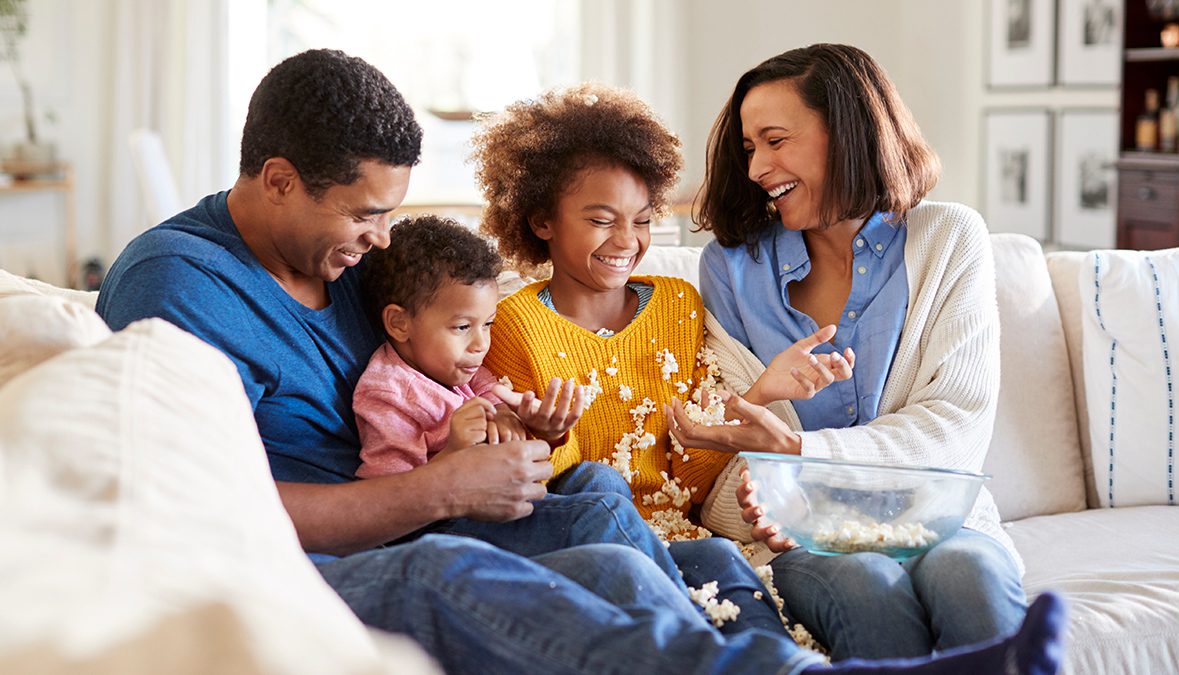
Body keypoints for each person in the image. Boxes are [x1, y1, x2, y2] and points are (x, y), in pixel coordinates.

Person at [95, 47, 1067, 674]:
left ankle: (769, 652)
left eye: (391, 210)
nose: (383, 236)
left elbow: (451, 370)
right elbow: (199, 507)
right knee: (446, 575)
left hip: (434, 494)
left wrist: (498, 428)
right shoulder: (177, 289)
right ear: (275, 180)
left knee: (601, 504)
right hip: (330, 550)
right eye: (364, 213)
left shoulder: (354, 263)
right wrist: (442, 488)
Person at [667, 43, 1029, 662]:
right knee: (868, 582)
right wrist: (766, 479)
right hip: (804, 541)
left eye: (776, 141)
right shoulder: (730, 268)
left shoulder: (948, 239)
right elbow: (725, 464)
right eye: (750, 148)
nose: (757, 168)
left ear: (850, 134)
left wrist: (801, 452)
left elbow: (957, 430)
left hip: (939, 519)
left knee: (972, 578)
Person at [474, 83, 859, 639]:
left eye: (643, 218)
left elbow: (693, 473)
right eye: (602, 220)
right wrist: (547, 435)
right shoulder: (513, 325)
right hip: (589, 540)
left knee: (727, 570)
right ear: (542, 222)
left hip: (682, 536)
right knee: (603, 484)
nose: (627, 240)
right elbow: (547, 488)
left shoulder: (677, 305)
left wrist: (761, 393)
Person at [352, 214, 683, 585]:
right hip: (451, 533)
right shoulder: (387, 393)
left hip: (508, 501)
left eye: (488, 324)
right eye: (463, 327)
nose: (481, 344)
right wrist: (452, 454)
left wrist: (538, 428)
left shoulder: (466, 369)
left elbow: (504, 416)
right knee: (600, 513)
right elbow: (388, 506)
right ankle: (679, 597)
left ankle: (641, 578)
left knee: (601, 478)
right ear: (399, 323)